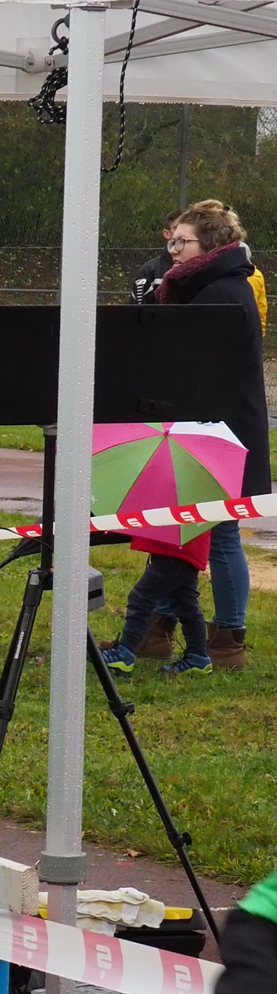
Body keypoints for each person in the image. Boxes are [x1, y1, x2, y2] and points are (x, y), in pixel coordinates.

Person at [154, 200, 270, 670]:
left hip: (219, 432)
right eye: (171, 240)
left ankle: (226, 638)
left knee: (219, 534)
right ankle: (160, 626)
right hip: (214, 426)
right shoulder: (216, 286)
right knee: (178, 529)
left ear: (210, 244)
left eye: (182, 241)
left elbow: (191, 367)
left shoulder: (220, 293)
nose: (173, 250)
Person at [101, 533, 212, 677]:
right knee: (184, 604)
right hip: (183, 549)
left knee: (141, 598)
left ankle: (124, 654)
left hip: (176, 551)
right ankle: (198, 656)